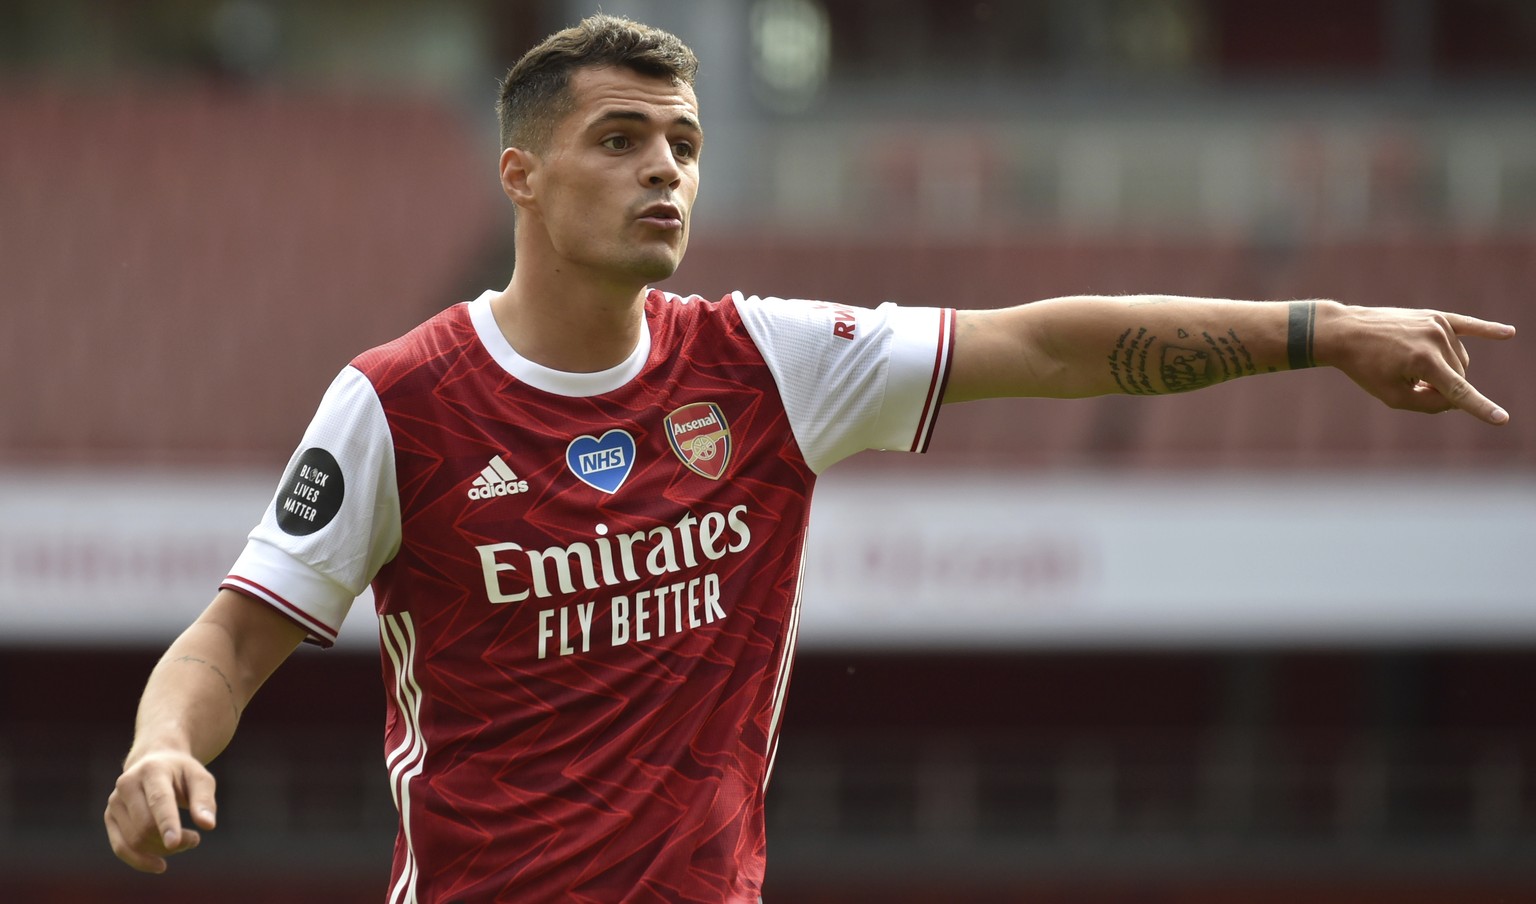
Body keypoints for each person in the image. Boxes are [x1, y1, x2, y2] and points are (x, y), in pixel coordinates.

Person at [103, 13, 1516, 904]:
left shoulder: (766, 362)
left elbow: (1047, 345)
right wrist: (162, 747)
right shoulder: (398, 401)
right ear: (519, 176)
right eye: (619, 139)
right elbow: (231, 642)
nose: (666, 169)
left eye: (686, 142)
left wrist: (1321, 329)